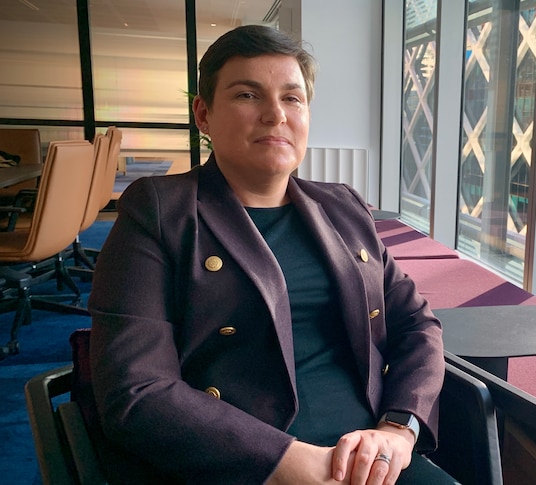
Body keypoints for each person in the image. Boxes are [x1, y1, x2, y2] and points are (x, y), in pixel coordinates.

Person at [88, 24, 454, 484]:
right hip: (243, 463)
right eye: (247, 95)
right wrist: (289, 462)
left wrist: (398, 429)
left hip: (371, 461)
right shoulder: (160, 211)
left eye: (292, 98)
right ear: (203, 114)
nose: (275, 115)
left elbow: (417, 325)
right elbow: (136, 390)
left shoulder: (343, 206)